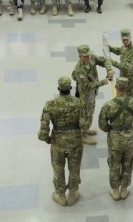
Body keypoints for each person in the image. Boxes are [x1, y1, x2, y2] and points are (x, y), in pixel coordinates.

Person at [38, 76, 87, 207]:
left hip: (57, 142)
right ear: (70, 88)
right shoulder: (79, 103)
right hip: (75, 142)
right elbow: (84, 124)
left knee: (58, 169)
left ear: (59, 88)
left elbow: (43, 131)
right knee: (74, 168)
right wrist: (78, 136)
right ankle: (72, 194)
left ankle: (60, 196)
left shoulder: (50, 104)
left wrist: (48, 139)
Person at [98, 77, 133, 201]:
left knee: (114, 164)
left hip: (115, 139)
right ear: (126, 88)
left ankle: (115, 190)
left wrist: (111, 129)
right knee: (128, 163)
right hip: (130, 138)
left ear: (116, 87)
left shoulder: (108, 105)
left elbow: (102, 124)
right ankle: (124, 189)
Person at [72, 44, 114, 145]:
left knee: (90, 111)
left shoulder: (92, 58)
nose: (88, 57)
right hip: (85, 94)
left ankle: (85, 129)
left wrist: (109, 69)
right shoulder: (79, 70)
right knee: (85, 114)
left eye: (88, 55)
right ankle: (82, 135)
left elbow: (104, 60)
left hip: (92, 92)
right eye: (85, 56)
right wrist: (101, 83)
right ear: (80, 57)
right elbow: (86, 86)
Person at [109, 29, 133, 98]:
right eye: (124, 40)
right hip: (123, 76)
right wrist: (110, 49)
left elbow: (126, 67)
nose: (125, 42)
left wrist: (112, 62)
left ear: (130, 38)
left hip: (130, 80)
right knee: (122, 96)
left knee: (130, 99)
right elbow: (120, 50)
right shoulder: (125, 46)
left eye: (127, 39)